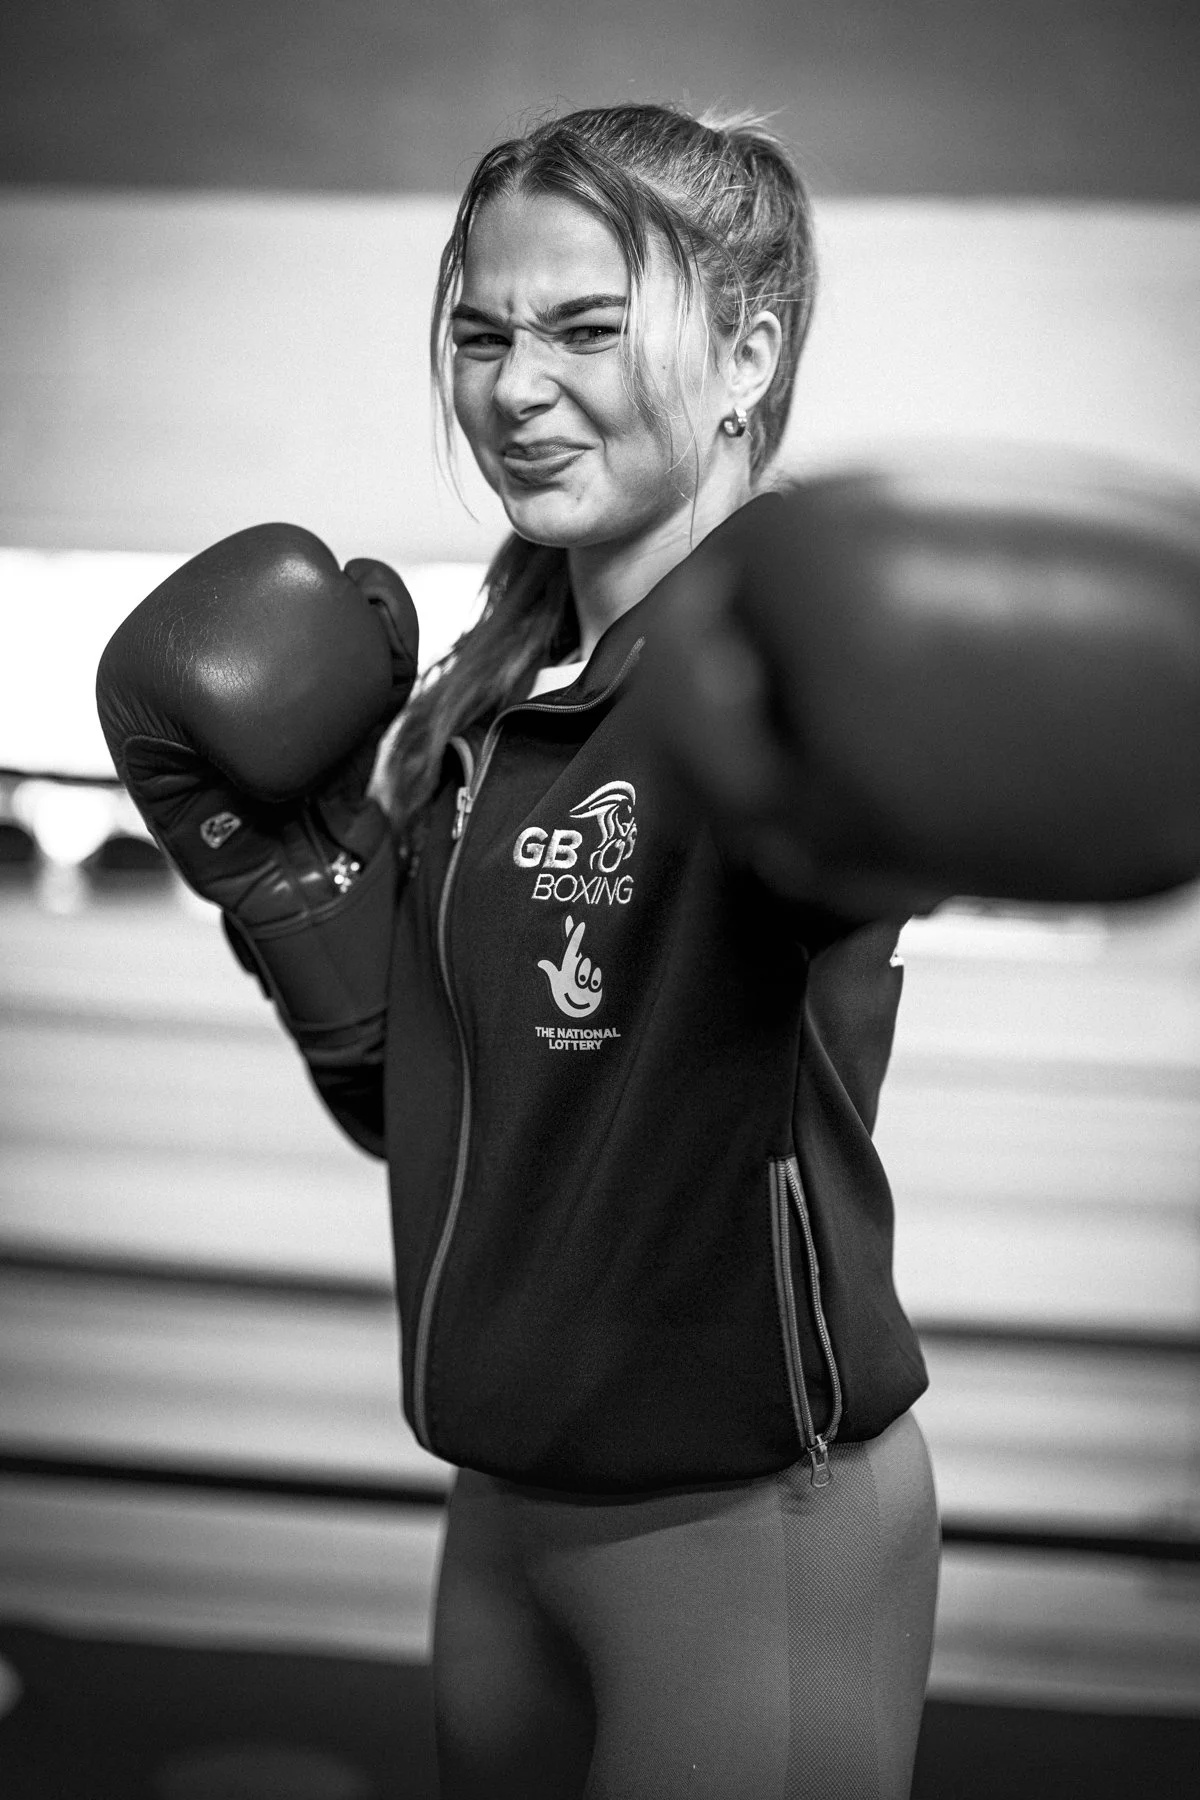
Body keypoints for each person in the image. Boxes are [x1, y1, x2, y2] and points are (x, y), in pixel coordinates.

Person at [97, 103, 1200, 1800]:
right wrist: (292, 898)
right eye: (483, 331)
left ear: (748, 350)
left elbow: (866, 845)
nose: (517, 387)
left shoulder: (776, 688)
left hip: (747, 1525)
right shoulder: (485, 717)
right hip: (498, 1513)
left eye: (588, 328)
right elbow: (448, 1124)